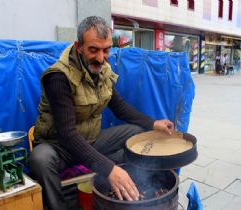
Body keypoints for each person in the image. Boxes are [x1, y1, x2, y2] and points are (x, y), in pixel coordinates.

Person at [29, 16, 174, 210]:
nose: (101, 57)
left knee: (136, 132)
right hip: (60, 147)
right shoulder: (58, 77)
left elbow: (119, 107)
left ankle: (134, 186)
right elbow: (67, 135)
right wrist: (109, 169)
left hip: (91, 140)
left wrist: (153, 124)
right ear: (78, 46)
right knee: (40, 158)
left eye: (106, 50)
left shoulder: (103, 70)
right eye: (93, 50)